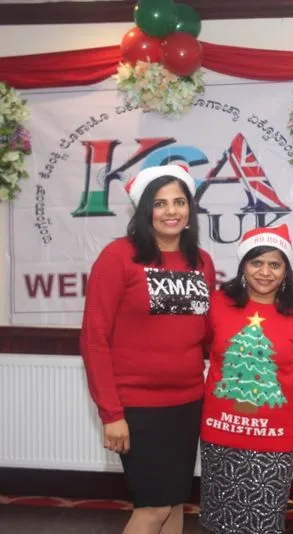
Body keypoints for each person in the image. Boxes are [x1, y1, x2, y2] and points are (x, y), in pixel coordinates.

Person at [80, 164, 216, 534]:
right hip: (137, 407)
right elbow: (94, 340)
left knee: (175, 502)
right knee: (153, 508)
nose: (172, 211)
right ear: (145, 210)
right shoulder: (118, 256)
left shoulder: (201, 261)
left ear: (189, 209)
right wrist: (111, 413)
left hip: (188, 403)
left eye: (179, 202)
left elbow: (206, 332)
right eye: (160, 203)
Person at [199, 225, 293, 534]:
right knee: (219, 524)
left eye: (274, 264)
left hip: (275, 445)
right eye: (257, 262)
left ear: (285, 271)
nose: (265, 272)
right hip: (219, 440)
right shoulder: (218, 304)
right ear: (243, 265)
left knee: (263, 526)